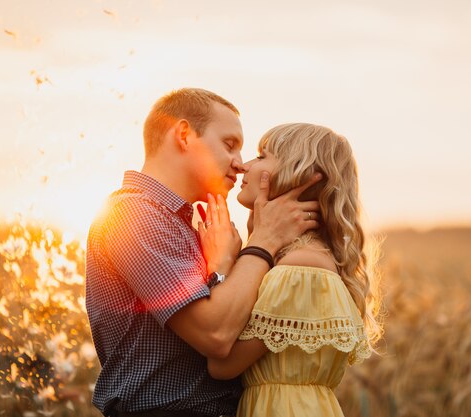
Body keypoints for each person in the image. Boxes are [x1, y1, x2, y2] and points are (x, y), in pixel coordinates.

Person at [85, 89, 321, 417]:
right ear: (184, 135)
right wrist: (264, 242)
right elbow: (215, 335)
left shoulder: (191, 226)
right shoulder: (133, 214)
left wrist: (223, 267)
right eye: (229, 144)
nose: (240, 164)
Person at [206, 123, 384, 417]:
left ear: (297, 174)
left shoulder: (301, 267)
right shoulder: (293, 260)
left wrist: (221, 268)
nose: (244, 166)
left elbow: (221, 366)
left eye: (262, 156)